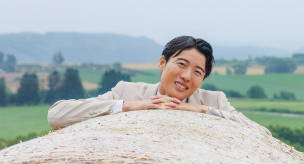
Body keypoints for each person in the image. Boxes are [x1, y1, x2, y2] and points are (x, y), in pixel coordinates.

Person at [48, 36, 270, 135]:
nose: (186, 76)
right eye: (181, 64)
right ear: (162, 63)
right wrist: (132, 106)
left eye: (197, 72)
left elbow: (262, 135)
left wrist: (202, 110)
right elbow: (57, 115)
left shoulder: (214, 101)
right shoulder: (126, 91)